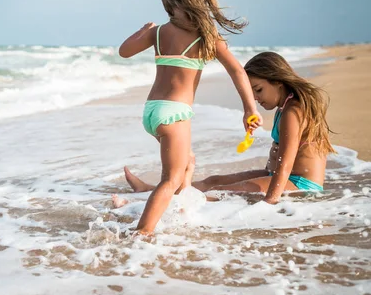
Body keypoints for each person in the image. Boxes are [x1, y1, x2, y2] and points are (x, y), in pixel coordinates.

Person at [118, 0, 262, 235]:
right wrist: (249, 109)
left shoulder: (157, 32)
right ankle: (142, 234)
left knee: (188, 163)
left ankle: (181, 213)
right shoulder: (206, 36)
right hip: (175, 113)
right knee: (169, 179)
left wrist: (141, 31)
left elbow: (124, 52)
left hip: (152, 111)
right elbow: (237, 71)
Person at [124, 51, 334, 205]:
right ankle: (152, 193)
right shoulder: (284, 107)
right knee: (213, 181)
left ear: (278, 81)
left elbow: (285, 163)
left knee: (222, 192)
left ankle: (147, 204)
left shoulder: (292, 111)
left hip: (300, 185)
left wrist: (270, 202)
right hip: (276, 175)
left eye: (258, 90)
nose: (255, 98)